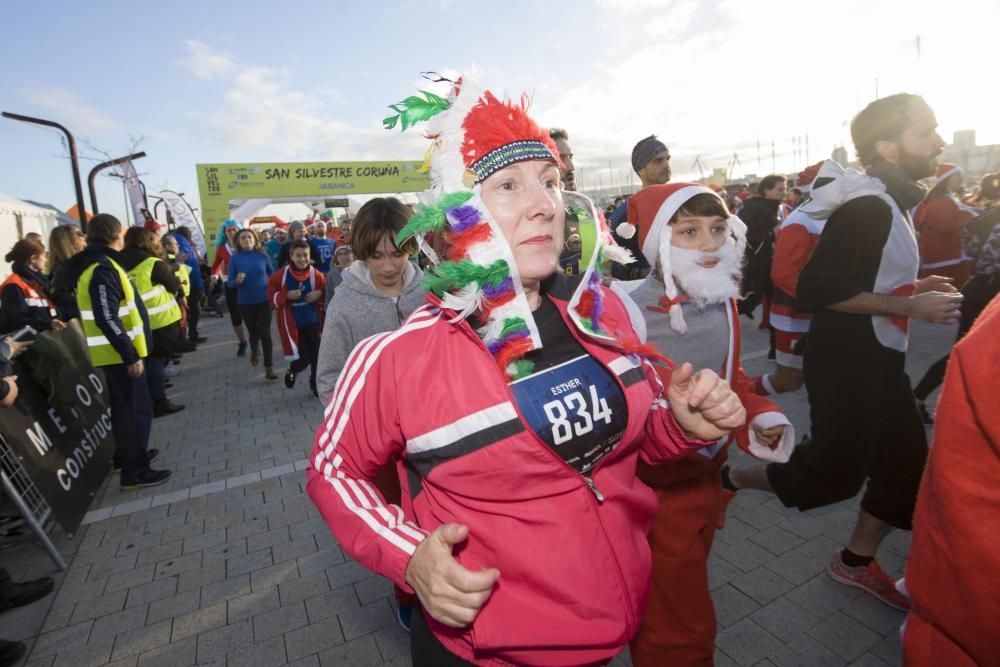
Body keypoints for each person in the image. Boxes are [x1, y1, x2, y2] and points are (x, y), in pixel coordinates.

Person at [307, 73, 745, 667]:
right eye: (509, 185)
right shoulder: (398, 360)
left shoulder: (603, 313)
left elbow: (623, 450)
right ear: (457, 214)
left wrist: (680, 427)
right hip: (486, 653)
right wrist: (408, 554)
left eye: (551, 182)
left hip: (609, 634)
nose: (545, 204)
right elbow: (334, 471)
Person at [724, 93, 962, 610]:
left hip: (880, 359)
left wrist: (914, 287)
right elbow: (819, 287)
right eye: (926, 133)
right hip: (849, 362)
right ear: (888, 147)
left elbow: (866, 277)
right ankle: (726, 478)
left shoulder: (888, 201)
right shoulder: (869, 206)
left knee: (905, 469)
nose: (939, 142)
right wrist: (916, 308)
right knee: (834, 475)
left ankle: (854, 563)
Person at [613, 183, 794, 666]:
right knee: (680, 624)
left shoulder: (722, 300)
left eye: (717, 229)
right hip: (653, 492)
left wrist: (759, 417)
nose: (709, 244)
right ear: (657, 242)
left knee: (669, 598)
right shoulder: (621, 311)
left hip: (704, 482)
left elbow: (730, 378)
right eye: (689, 231)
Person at [902, 291, 1000, 667]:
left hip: (960, 607)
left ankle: (854, 559)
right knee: (843, 467)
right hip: (967, 612)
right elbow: (816, 286)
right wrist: (907, 303)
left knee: (890, 468)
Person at [72, 213, 171, 490]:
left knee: (128, 411)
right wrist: (130, 355)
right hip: (121, 357)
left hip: (118, 355)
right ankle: (136, 470)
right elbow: (106, 316)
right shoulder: (103, 268)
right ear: (117, 235)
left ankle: (130, 456)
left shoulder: (95, 265)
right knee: (135, 413)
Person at [315, 198, 425, 402]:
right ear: (363, 252)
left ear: (411, 248)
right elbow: (329, 379)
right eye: (377, 256)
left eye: (397, 254)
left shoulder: (430, 295)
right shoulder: (343, 306)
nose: (388, 266)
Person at [912, 171, 1000, 421]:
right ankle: (921, 398)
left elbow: (972, 249)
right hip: (989, 294)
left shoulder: (990, 217)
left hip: (980, 289)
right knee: (967, 352)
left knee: (967, 352)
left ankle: (921, 397)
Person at [754, 161, 826, 395]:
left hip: (821, 311)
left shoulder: (828, 216)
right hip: (797, 313)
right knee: (788, 380)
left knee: (825, 376)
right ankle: (742, 394)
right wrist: (828, 299)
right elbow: (783, 274)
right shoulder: (801, 220)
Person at [121, 227, 186, 417]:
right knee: (157, 362)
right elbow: (173, 284)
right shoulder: (152, 263)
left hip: (133, 322)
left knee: (147, 361)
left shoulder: (120, 262)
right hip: (159, 321)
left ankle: (147, 399)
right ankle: (159, 401)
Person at [609, 135, 673, 279]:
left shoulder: (682, 203)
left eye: (667, 159)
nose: (665, 164)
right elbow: (609, 261)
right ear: (641, 170)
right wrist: (643, 274)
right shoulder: (625, 213)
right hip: (645, 296)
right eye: (658, 161)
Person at [269, 239, 326, 397]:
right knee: (304, 356)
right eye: (298, 256)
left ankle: (314, 384)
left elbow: (325, 288)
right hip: (293, 324)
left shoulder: (316, 274)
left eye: (305, 255)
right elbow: (270, 296)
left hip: (313, 322)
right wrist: (285, 295)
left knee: (316, 355)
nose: (302, 259)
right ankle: (293, 368)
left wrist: (319, 293)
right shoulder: (281, 275)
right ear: (291, 257)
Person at [912, 162, 976, 286]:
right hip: (942, 256)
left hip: (952, 255)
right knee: (942, 292)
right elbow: (945, 225)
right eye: (957, 175)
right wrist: (970, 215)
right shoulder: (939, 200)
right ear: (946, 179)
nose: (961, 179)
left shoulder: (948, 197)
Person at [228, 228, 277, 380]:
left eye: (249, 237)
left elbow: (272, 275)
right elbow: (230, 283)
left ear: (255, 239)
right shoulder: (235, 259)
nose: (247, 240)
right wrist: (236, 280)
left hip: (264, 300)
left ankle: (269, 368)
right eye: (243, 238)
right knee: (253, 332)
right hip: (245, 302)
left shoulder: (262, 255)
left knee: (266, 333)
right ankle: (254, 349)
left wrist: (273, 287)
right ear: (238, 241)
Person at [0, 238, 65, 335]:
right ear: (33, 259)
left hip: (45, 340)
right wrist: (46, 324)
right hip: (28, 345)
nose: (46, 260)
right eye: (44, 256)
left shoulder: (37, 282)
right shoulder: (14, 285)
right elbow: (14, 321)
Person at [210, 219, 249, 357]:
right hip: (230, 284)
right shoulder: (222, 249)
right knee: (236, 316)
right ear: (224, 233)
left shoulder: (247, 245)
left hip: (248, 284)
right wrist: (214, 277)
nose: (232, 232)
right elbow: (215, 265)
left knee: (250, 314)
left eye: (234, 229)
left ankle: (255, 342)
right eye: (228, 230)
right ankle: (242, 342)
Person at [173, 225, 207, 344]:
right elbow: (191, 268)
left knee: (182, 314)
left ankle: (184, 338)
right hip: (190, 285)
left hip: (179, 285)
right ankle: (192, 336)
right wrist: (200, 286)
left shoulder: (175, 243)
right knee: (193, 311)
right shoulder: (185, 245)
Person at [47, 225, 88, 320]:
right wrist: (87, 300)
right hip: (78, 321)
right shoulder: (63, 268)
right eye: (79, 234)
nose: (85, 236)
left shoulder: (71, 265)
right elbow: (58, 295)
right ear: (68, 240)